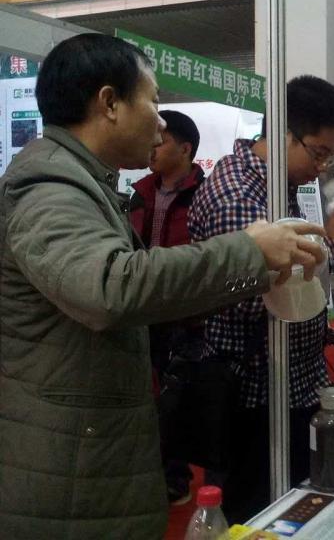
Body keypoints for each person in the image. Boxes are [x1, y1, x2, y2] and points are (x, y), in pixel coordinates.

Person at [0, 33, 330, 539]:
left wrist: (261, 265)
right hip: (67, 464)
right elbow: (109, 287)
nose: (160, 121)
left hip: (88, 445)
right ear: (109, 103)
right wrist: (249, 250)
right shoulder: (49, 188)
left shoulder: (85, 182)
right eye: (153, 101)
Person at [188, 74, 334, 523]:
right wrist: (331, 243)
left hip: (289, 385)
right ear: (284, 134)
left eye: (331, 156)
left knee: (291, 505)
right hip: (255, 396)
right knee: (254, 513)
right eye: (318, 152)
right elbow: (253, 296)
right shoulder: (238, 194)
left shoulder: (277, 186)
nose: (323, 166)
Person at [129, 109, 204, 505]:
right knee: (143, 395)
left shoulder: (203, 193)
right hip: (142, 309)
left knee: (178, 400)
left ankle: (176, 476)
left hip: (184, 313)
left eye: (163, 140)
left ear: (185, 149)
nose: (154, 147)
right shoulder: (139, 191)